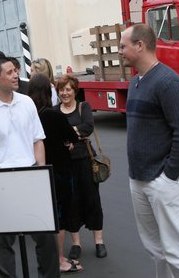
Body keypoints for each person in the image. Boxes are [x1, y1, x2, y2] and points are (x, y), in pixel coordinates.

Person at [120, 23, 179, 277]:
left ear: (140, 46)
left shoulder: (170, 83)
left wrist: (168, 177)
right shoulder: (136, 83)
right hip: (141, 178)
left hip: (167, 180)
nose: (119, 50)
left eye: (123, 45)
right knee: (157, 250)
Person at [0, 57, 60, 278]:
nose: (15, 75)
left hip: (31, 177)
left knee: (46, 238)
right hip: (1, 182)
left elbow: (37, 140)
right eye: (9, 72)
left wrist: (41, 173)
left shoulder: (26, 102)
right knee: (3, 244)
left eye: (15, 70)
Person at [28, 73, 83, 274]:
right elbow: (72, 137)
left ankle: (48, 259)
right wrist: (67, 143)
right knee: (59, 216)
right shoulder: (53, 115)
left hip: (34, 168)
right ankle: (59, 259)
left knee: (43, 218)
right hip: (59, 169)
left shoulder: (27, 113)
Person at [56, 74, 107, 259]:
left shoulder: (82, 106)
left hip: (85, 159)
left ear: (74, 91)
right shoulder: (55, 111)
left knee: (92, 199)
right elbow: (53, 133)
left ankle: (99, 242)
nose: (65, 93)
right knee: (71, 202)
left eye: (68, 89)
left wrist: (68, 135)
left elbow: (88, 126)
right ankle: (76, 244)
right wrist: (71, 134)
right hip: (65, 163)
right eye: (61, 90)